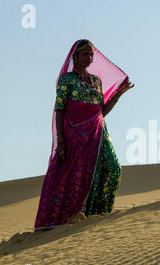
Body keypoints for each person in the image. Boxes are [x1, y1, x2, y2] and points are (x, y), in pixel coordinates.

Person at [34, 39, 134, 231]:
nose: (89, 58)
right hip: (75, 135)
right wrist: (61, 142)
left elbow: (101, 112)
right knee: (76, 177)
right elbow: (60, 109)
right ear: (75, 57)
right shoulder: (67, 80)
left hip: (98, 134)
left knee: (113, 168)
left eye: (91, 55)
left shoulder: (96, 81)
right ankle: (74, 216)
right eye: (85, 54)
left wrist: (118, 95)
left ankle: (100, 213)